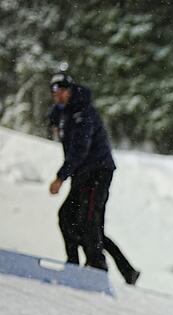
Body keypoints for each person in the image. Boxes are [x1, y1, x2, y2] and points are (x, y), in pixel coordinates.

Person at [48, 72, 140, 285]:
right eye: (55, 92)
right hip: (82, 173)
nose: (58, 96)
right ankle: (76, 265)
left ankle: (97, 269)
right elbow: (56, 122)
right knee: (67, 217)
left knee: (88, 223)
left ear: (70, 90)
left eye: (62, 91)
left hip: (97, 172)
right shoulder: (63, 112)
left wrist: (61, 177)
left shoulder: (83, 113)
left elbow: (80, 149)